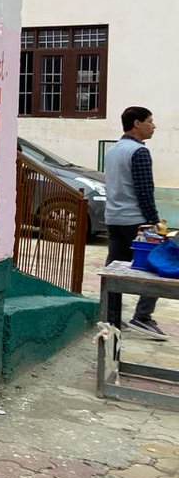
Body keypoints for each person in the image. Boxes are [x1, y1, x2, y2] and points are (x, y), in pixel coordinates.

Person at [104, 106, 166, 339]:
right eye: (150, 121)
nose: (153, 125)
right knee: (155, 266)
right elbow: (144, 190)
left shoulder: (113, 151)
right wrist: (154, 221)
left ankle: (110, 314)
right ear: (137, 123)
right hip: (137, 220)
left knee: (114, 269)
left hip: (113, 218)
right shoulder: (138, 152)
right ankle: (143, 316)